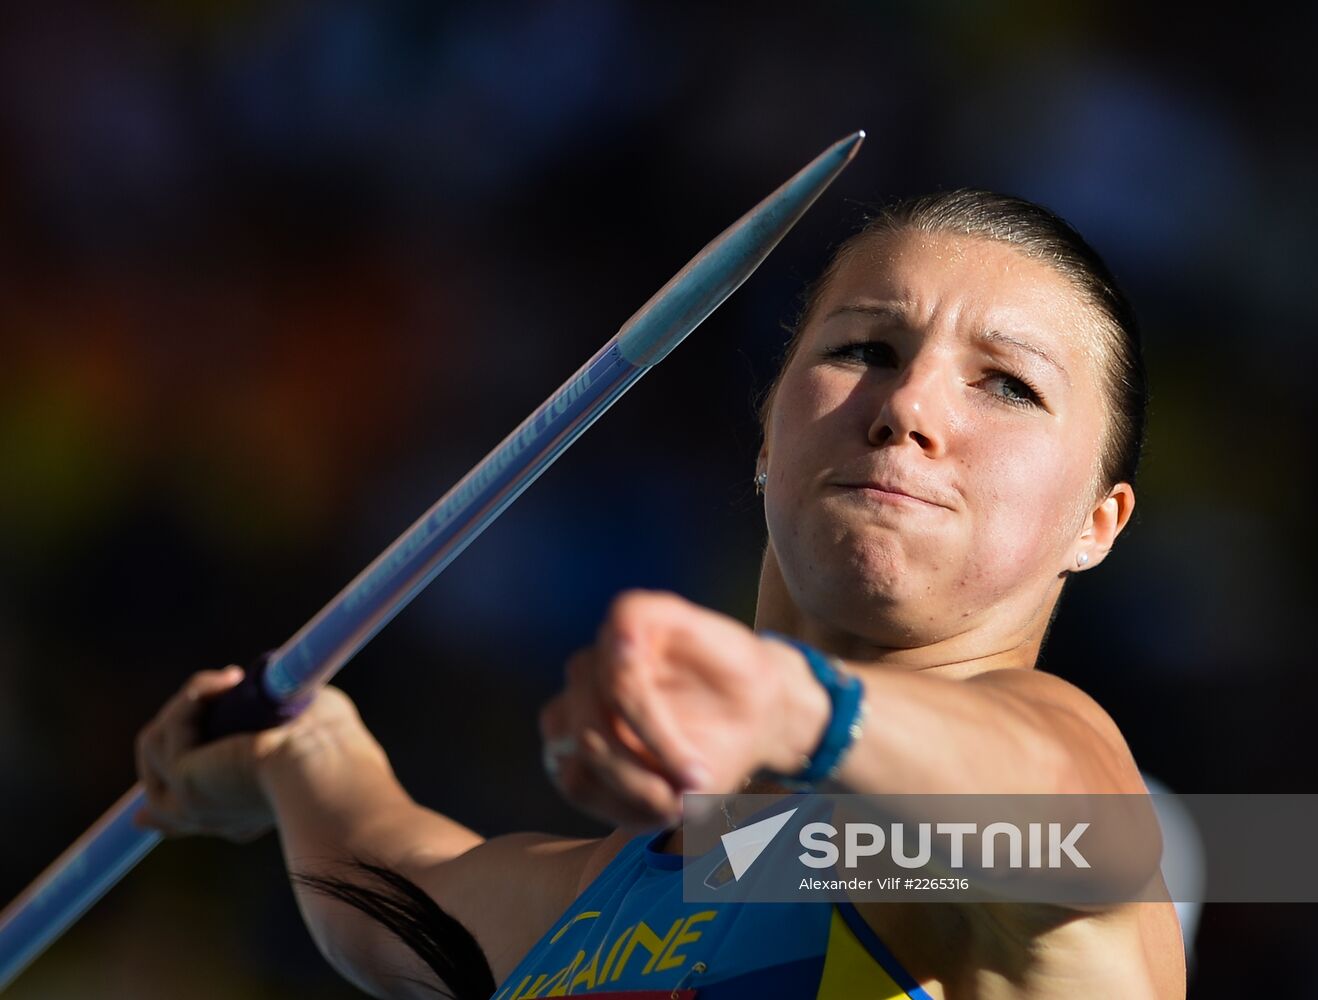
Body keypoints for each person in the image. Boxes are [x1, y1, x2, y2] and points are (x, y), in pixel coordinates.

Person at [134, 189, 1187, 998]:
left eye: (1006, 382)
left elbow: (1074, 823)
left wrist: (798, 702)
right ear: (768, 433)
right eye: (864, 347)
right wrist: (297, 755)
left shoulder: (1041, 818)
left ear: (1096, 522)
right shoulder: (604, 897)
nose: (908, 403)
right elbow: (392, 889)